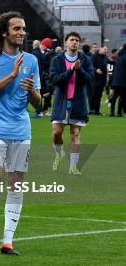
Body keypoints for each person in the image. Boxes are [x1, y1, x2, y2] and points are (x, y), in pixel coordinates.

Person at [0, 11, 41, 256]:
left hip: (20, 130)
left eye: (23, 29)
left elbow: (38, 104)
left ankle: (8, 240)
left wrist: (33, 91)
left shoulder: (31, 60)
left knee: (16, 184)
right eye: (17, 29)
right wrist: (11, 75)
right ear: (4, 32)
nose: (22, 33)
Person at [49, 32, 94, 175]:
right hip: (61, 101)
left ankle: (73, 166)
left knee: (75, 134)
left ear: (79, 44)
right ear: (66, 43)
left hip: (78, 102)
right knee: (57, 132)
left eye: (77, 40)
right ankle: (60, 153)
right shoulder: (57, 60)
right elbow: (54, 79)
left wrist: (79, 69)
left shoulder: (85, 60)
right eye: (72, 40)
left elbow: (89, 79)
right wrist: (70, 71)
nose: (74, 42)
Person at [90, 46, 108, 115]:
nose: (106, 51)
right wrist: (96, 70)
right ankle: (92, 109)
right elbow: (90, 66)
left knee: (99, 96)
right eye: (105, 49)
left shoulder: (105, 56)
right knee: (94, 95)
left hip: (102, 79)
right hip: (95, 79)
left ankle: (97, 110)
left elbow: (108, 63)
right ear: (100, 48)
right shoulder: (94, 56)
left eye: (106, 50)